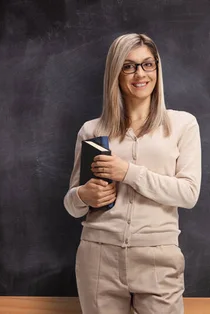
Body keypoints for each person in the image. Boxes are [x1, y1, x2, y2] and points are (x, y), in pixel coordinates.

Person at [63, 33, 202, 314]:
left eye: (147, 64)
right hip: (98, 256)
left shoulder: (182, 124)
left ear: (157, 69)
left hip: (158, 257)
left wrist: (128, 172)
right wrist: (83, 195)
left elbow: (188, 194)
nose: (140, 73)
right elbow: (71, 205)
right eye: (129, 66)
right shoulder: (92, 130)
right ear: (116, 72)